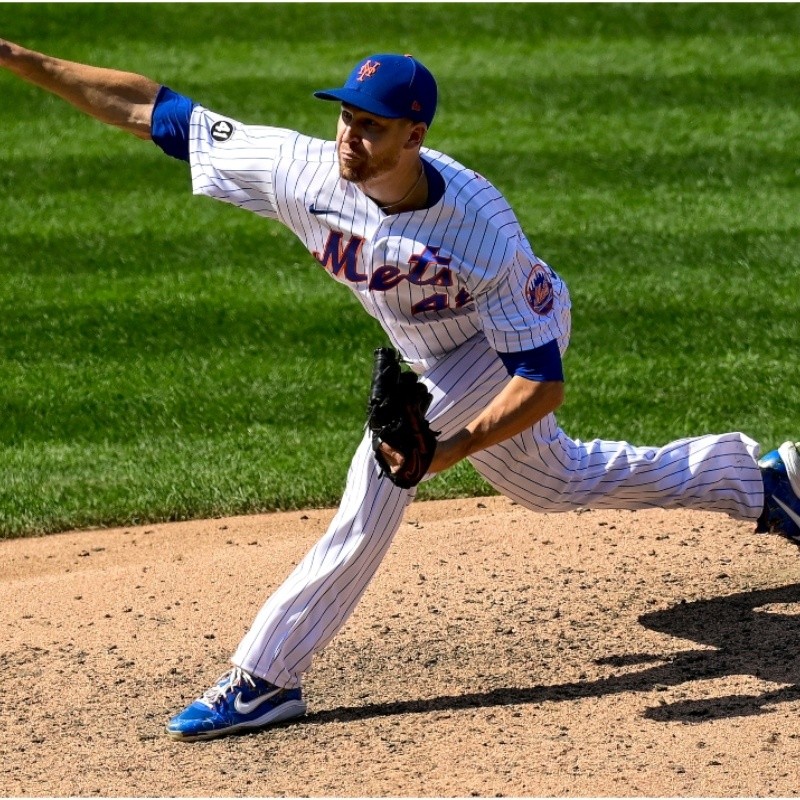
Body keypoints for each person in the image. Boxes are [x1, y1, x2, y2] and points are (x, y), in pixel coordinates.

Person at [1, 40, 798, 742]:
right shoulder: (301, 169)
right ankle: (763, 484)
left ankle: (267, 677)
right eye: (347, 116)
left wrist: (444, 451)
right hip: (438, 353)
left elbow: (540, 382)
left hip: (512, 343)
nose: (351, 136)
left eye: (372, 126)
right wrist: (18, 58)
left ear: (415, 135)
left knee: (380, 476)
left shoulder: (480, 229)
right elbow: (153, 110)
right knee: (557, 483)